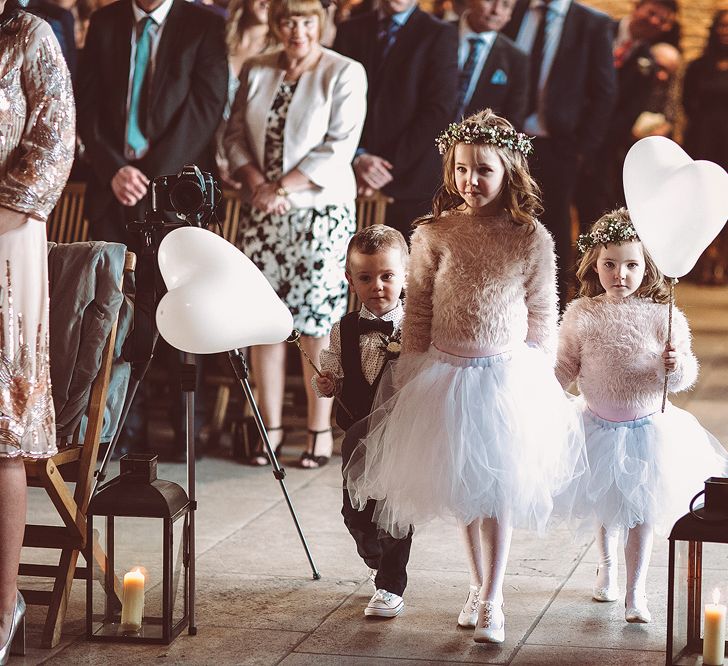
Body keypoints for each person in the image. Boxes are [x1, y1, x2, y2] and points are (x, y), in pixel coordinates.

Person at [344, 110, 584, 643]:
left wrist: (539, 379)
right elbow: (422, 308)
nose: (470, 181)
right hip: (446, 374)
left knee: (497, 489)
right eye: (460, 170)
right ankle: (477, 585)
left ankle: (495, 599)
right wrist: (411, 369)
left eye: (483, 170)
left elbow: (543, 313)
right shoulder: (434, 234)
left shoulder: (530, 237)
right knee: (465, 491)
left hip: (503, 377)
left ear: (508, 170)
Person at [556, 209, 728, 624]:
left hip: (646, 430)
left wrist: (675, 364)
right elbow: (565, 366)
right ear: (594, 264)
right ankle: (608, 567)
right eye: (610, 264)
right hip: (596, 425)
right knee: (604, 506)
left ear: (646, 267)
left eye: (632, 265)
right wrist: (543, 390)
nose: (620, 275)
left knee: (642, 513)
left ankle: (635, 592)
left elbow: (684, 375)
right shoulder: (582, 313)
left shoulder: (661, 315)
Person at [224, 0, 367, 467]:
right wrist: (257, 185)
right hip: (263, 214)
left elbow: (339, 145)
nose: (296, 29)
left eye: (306, 20)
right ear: (275, 23)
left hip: (318, 215)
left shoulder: (345, 71)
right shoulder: (259, 68)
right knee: (263, 322)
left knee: (314, 325)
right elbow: (233, 136)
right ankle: (270, 429)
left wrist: (281, 186)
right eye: (287, 20)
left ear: (320, 22)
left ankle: (319, 431)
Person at [0, 2, 75, 661]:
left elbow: (52, 147)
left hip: (4, 237)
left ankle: (2, 607)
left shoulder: (28, 37)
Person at [313, 225, 412, 619]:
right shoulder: (344, 329)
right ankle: (373, 553)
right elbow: (333, 369)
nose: (378, 286)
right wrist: (326, 381)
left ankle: (391, 585)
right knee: (354, 512)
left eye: (388, 276)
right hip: (356, 434)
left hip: (399, 434)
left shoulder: (415, 329)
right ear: (350, 280)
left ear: (405, 275)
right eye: (366, 277)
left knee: (393, 512)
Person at [502, 0, 616, 308]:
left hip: (559, 144)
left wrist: (582, 149)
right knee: (503, 221)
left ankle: (551, 310)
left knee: (552, 228)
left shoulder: (593, 24)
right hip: (507, 140)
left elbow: (605, 92)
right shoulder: (513, 10)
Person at [333, 0, 459, 237]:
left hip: (408, 185)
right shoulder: (349, 29)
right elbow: (335, 104)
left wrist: (384, 168)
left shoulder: (440, 34)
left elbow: (438, 111)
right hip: (348, 177)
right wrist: (358, 157)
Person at [576, 0, 679, 228]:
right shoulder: (598, 30)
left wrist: (592, 145)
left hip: (600, 151)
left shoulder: (649, 64)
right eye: (652, 13)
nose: (654, 21)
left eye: (662, 20)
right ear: (637, 7)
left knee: (594, 219)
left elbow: (628, 115)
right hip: (563, 134)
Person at [683, 10, 728, 284]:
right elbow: (688, 103)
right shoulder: (698, 66)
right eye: (722, 25)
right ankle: (701, 262)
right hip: (702, 139)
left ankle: (723, 261)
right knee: (702, 200)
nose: (726, 30)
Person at [216, 0, 274, 186]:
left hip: (251, 171)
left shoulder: (282, 56)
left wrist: (236, 164)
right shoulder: (215, 35)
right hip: (201, 155)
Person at [454, 0, 528, 130]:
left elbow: (512, 121)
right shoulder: (436, 34)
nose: (496, 10)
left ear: (510, 14)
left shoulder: (516, 59)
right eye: (490, 0)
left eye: (506, 5)